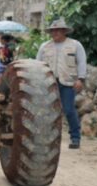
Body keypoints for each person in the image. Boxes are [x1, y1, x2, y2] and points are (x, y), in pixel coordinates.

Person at [36, 18, 87, 149]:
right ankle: (47, 138)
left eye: (58, 30)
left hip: (68, 82)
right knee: (47, 111)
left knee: (69, 110)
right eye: (53, 31)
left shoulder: (75, 45)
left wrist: (80, 79)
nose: (55, 33)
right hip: (48, 83)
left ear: (64, 31)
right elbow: (38, 64)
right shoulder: (45, 47)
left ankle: (75, 138)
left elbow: (81, 62)